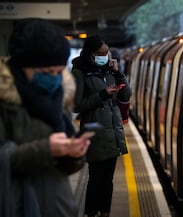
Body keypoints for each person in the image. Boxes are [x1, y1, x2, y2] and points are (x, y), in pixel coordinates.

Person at [0, 18, 90, 217]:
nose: (55, 78)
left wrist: (73, 154)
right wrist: (45, 150)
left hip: (57, 206)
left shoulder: (58, 99)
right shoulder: (5, 102)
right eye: (48, 72)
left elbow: (60, 170)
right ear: (23, 66)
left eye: (60, 71)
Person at [71, 35, 131, 217]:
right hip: (95, 134)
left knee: (108, 180)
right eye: (100, 53)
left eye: (106, 53)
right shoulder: (79, 72)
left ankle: (105, 213)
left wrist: (118, 72)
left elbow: (126, 95)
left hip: (113, 133)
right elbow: (76, 105)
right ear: (90, 54)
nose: (104, 56)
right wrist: (102, 95)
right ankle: (91, 213)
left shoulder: (110, 72)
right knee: (96, 179)